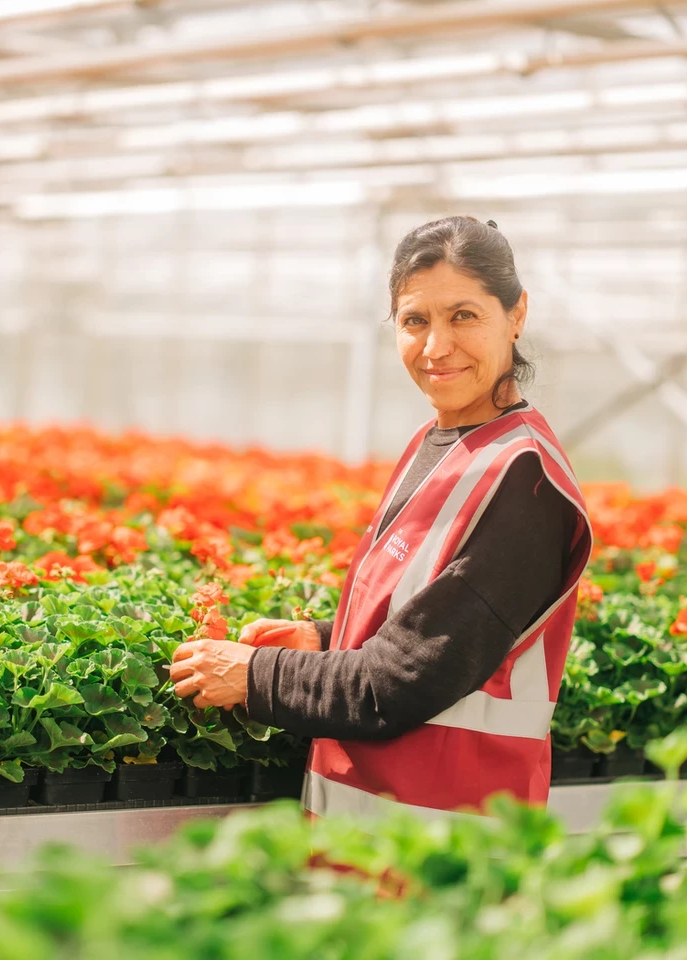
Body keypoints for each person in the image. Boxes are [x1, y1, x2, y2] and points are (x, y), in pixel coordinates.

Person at [169, 215, 592, 819]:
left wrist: (260, 675)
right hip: (374, 833)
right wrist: (320, 640)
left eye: (463, 316)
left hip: (443, 848)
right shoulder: (443, 442)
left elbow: (405, 679)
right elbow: (425, 619)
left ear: (517, 314)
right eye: (415, 321)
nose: (435, 347)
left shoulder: (523, 478)